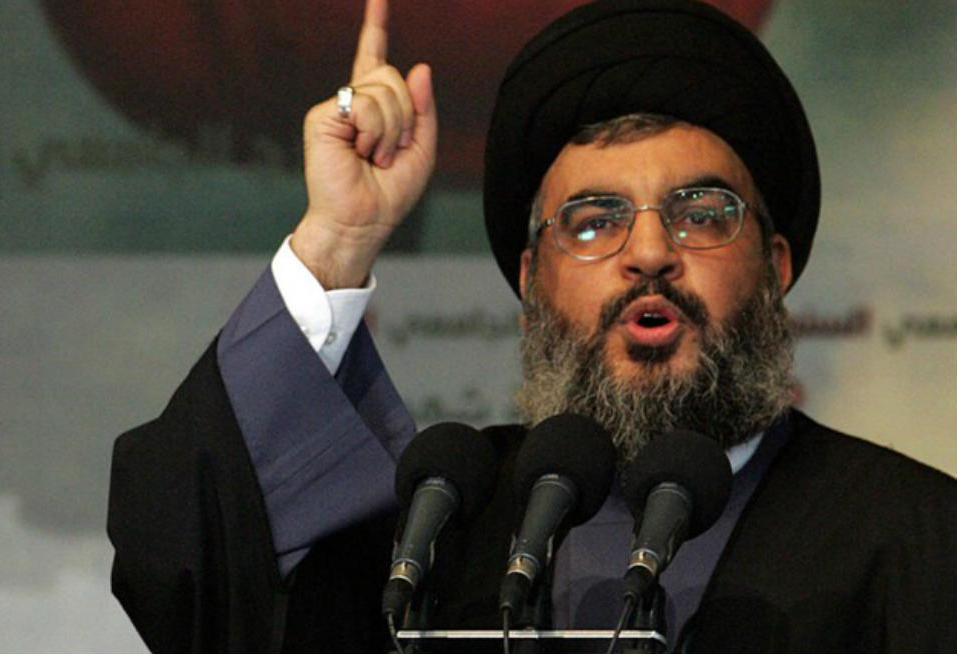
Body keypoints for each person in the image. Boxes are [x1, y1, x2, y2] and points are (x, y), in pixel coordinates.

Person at [107, 0, 957, 652]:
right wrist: (339, 239)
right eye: (593, 221)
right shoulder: (440, 520)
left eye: (701, 214)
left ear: (775, 266)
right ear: (529, 279)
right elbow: (192, 578)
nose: (649, 253)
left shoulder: (920, 537)